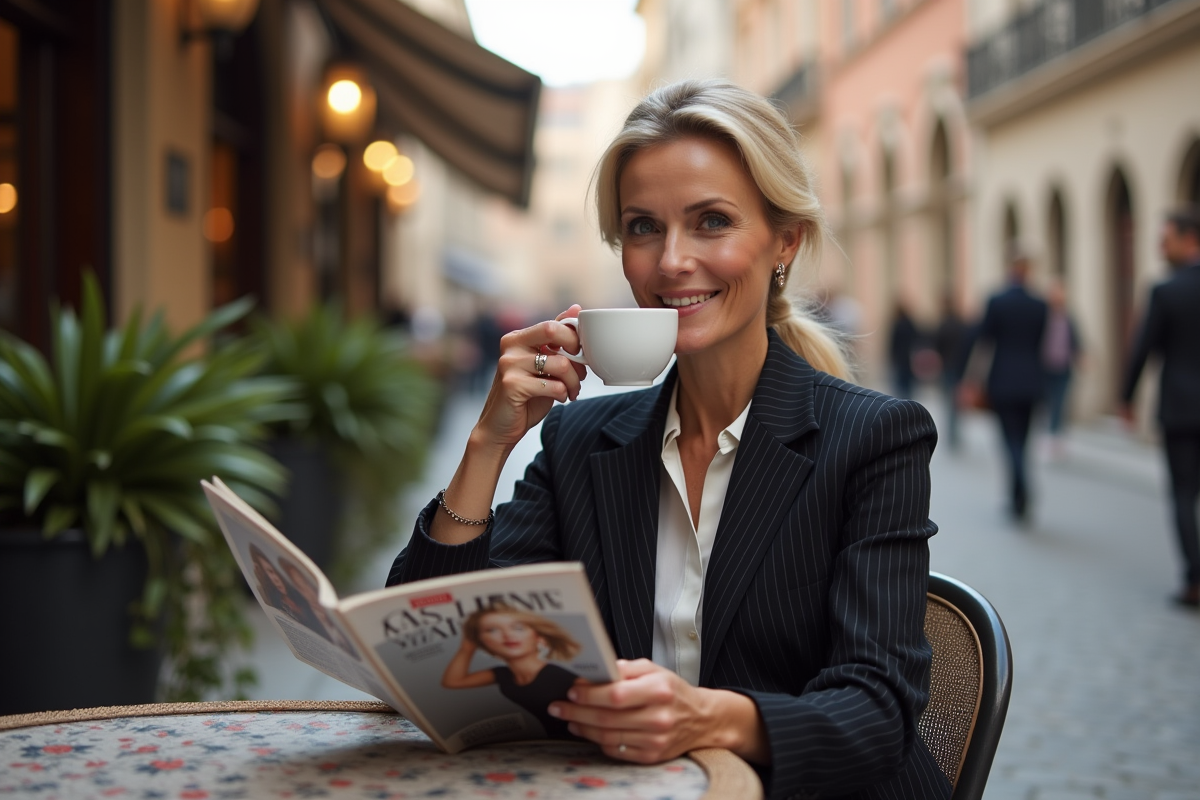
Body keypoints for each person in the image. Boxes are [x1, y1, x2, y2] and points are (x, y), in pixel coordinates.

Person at [387, 80, 948, 799]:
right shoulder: (581, 444)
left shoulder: (873, 439)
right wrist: (488, 446)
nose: (671, 261)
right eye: (644, 227)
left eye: (711, 221)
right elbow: (429, 659)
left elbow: (879, 711)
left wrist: (707, 718)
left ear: (785, 241)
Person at [1121, 206, 1200, 608]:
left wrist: (1126, 396)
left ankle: (1194, 579)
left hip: (1183, 409)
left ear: (1190, 239)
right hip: (1181, 409)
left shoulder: (1167, 290)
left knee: (1184, 494)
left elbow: (1143, 348)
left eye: (1165, 239)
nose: (1159, 247)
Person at [963, 249, 1048, 523]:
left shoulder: (997, 301)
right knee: (1023, 440)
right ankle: (1018, 494)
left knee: (1009, 440)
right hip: (1032, 380)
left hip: (1003, 380)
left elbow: (983, 339)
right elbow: (1039, 342)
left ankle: (1019, 488)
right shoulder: (1040, 304)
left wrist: (969, 377)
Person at [442, 603, 582, 739]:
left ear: (539, 638)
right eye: (492, 630)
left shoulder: (559, 676)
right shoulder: (503, 674)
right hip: (550, 746)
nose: (507, 635)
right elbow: (453, 682)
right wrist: (466, 649)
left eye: (518, 628)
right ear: (483, 642)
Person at [1041, 279, 1082, 459]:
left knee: (1061, 402)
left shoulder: (1067, 316)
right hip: (1045, 367)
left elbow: (1075, 338)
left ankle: (1057, 437)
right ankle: (1050, 436)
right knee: (1049, 403)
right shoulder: (1043, 315)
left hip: (1064, 366)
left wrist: (1081, 355)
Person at [933, 294, 968, 450]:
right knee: (956, 401)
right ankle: (955, 433)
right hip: (960, 366)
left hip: (948, 366)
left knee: (949, 400)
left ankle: (951, 434)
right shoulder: (961, 323)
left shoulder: (943, 324)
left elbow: (937, 345)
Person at [887, 300, 921, 399]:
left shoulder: (898, 324)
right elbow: (917, 338)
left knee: (900, 384)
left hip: (900, 358)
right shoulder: (911, 324)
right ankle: (908, 402)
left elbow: (893, 343)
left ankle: (902, 403)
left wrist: (892, 356)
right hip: (909, 357)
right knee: (908, 384)